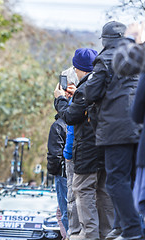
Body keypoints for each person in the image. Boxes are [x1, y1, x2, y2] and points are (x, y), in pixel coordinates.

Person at [85, 21, 144, 240]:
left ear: (106, 40)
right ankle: (121, 226)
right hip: (139, 126)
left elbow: (91, 93)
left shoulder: (106, 58)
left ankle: (131, 228)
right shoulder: (139, 56)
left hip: (116, 126)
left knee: (116, 179)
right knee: (132, 178)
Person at [55, 48, 115, 240]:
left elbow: (71, 116)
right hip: (108, 148)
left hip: (87, 150)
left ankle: (89, 235)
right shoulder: (107, 82)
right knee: (104, 192)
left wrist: (60, 101)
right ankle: (107, 233)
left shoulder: (86, 88)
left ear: (78, 68)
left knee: (83, 191)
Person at [46, 102, 68, 235]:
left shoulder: (58, 126)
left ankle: (68, 236)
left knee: (64, 211)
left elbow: (55, 154)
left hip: (63, 174)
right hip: (81, 172)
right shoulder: (83, 119)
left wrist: (52, 171)